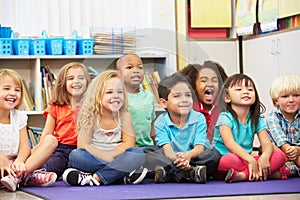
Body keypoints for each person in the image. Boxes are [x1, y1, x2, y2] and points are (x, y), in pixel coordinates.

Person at [62, 70, 146, 186]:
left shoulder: (124, 116)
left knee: (138, 154)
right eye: (109, 92)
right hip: (94, 158)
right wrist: (108, 158)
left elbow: (129, 143)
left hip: (117, 156)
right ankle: (121, 175)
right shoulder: (89, 115)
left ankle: (96, 177)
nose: (115, 96)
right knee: (76, 155)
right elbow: (83, 145)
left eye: (120, 92)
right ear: (97, 95)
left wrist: (111, 154)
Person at [143, 72, 221, 184]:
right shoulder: (160, 122)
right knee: (145, 152)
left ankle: (170, 174)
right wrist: (179, 160)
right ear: (164, 103)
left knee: (214, 154)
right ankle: (190, 173)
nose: (184, 100)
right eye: (177, 96)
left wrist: (187, 156)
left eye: (188, 95)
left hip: (193, 157)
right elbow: (167, 150)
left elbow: (199, 148)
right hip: (170, 158)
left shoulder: (199, 118)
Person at [213, 73, 288, 183]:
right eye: (239, 89)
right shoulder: (224, 117)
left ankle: (243, 175)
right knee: (228, 160)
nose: (245, 92)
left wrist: (265, 157)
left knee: (280, 155)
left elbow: (266, 143)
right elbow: (230, 144)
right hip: (229, 159)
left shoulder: (257, 119)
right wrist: (251, 160)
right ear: (227, 97)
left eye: (250, 89)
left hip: (246, 161)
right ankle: (270, 173)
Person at [0, 69, 57, 192]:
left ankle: (19, 176)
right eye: (6, 88)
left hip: (17, 162)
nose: (13, 93)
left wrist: (20, 161)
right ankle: (27, 177)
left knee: (51, 141)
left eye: (17, 89)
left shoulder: (19, 116)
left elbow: (25, 146)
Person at [35, 62, 90, 180]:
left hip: (83, 150)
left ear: (87, 82)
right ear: (63, 84)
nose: (76, 81)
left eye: (81, 78)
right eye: (71, 78)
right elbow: (47, 133)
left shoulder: (91, 106)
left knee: (88, 165)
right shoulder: (56, 106)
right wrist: (36, 153)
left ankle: (69, 173)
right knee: (51, 167)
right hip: (61, 149)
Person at [180, 61, 228, 144]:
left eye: (214, 81)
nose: (210, 84)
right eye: (203, 81)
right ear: (193, 85)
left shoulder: (226, 107)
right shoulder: (187, 107)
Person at [116, 53, 156, 147]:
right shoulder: (117, 97)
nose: (136, 71)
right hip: (124, 148)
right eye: (129, 67)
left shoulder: (149, 96)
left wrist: (157, 144)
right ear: (118, 73)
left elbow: (151, 126)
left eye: (140, 67)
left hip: (147, 147)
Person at [266, 74, 300, 177]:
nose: (291, 100)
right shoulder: (272, 117)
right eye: (285, 96)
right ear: (276, 101)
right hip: (280, 150)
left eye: (296, 95)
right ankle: (291, 168)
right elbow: (280, 140)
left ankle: (291, 169)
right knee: (269, 150)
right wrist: (291, 151)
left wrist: (298, 150)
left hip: (298, 150)